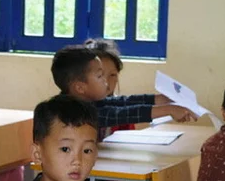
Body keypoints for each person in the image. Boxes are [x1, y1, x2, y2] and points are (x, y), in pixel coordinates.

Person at [51, 44, 194, 137]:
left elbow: (121, 103)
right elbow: (120, 114)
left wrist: (159, 99)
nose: (106, 81)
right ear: (80, 87)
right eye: (100, 76)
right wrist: (168, 109)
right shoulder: (72, 112)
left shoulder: (88, 101)